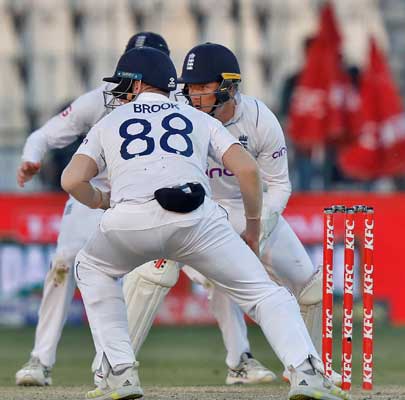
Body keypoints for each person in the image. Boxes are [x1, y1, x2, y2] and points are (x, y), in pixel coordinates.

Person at [61, 46, 348, 400]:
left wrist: (103, 201)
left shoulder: (109, 121)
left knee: (91, 268)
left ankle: (118, 371)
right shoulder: (200, 119)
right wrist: (254, 229)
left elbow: (71, 181)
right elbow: (247, 169)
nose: (119, 92)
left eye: (124, 85)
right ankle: (306, 372)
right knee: (265, 293)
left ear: (137, 86)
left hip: (129, 220)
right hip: (197, 217)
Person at [14, 32, 170, 387]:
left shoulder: (177, 105)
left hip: (150, 196)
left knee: (203, 268)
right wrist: (31, 158)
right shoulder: (99, 100)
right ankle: (41, 359)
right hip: (93, 195)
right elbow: (43, 135)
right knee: (65, 261)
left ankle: (240, 357)